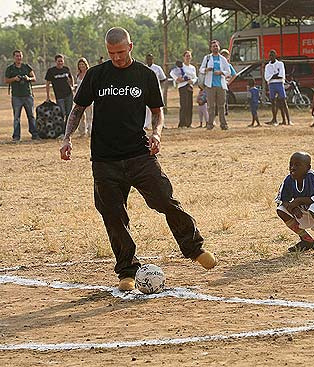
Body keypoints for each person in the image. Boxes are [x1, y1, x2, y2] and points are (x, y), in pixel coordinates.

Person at [59, 27, 217, 291]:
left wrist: (156, 133)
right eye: (112, 53)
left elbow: (157, 112)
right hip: (104, 160)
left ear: (130, 46)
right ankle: (127, 271)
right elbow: (78, 109)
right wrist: (67, 138)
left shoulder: (145, 75)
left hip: (139, 155)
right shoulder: (97, 75)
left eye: (121, 52)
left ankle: (194, 248)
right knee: (112, 214)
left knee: (165, 199)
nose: (117, 58)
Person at [4, 49, 39, 141]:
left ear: (22, 57)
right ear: (13, 57)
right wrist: (14, 79)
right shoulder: (10, 68)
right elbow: (6, 80)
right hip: (16, 96)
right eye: (17, 56)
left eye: (20, 56)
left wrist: (28, 78)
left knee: (31, 116)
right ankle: (16, 136)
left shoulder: (26, 67)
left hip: (28, 95)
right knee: (16, 117)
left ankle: (34, 134)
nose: (18, 58)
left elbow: (34, 78)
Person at [199, 40, 231, 130]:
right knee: (210, 106)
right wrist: (206, 69)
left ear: (219, 47)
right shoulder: (207, 58)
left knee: (221, 105)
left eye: (216, 46)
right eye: (213, 46)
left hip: (221, 85)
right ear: (210, 48)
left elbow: (228, 72)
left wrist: (221, 72)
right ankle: (210, 124)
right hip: (210, 85)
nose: (215, 48)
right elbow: (201, 69)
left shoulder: (223, 59)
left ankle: (223, 124)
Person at [264, 49, 292, 126]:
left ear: (275, 56)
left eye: (272, 55)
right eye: (270, 55)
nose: (271, 57)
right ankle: (274, 119)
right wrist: (274, 75)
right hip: (271, 84)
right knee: (273, 102)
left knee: (283, 101)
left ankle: (288, 120)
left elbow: (281, 74)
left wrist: (273, 76)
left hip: (279, 83)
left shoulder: (280, 64)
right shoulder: (267, 66)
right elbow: (267, 77)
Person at [170, 50, 196, 128]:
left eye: (189, 56)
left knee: (190, 105)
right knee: (184, 105)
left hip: (190, 86)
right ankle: (182, 123)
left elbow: (195, 77)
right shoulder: (181, 66)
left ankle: (189, 123)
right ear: (184, 57)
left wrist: (192, 81)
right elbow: (172, 73)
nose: (188, 58)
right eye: (187, 56)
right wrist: (178, 79)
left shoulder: (192, 67)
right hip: (183, 86)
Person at [45, 54, 74, 124]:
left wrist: (72, 86)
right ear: (55, 62)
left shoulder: (66, 69)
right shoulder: (51, 71)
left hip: (69, 94)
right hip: (59, 95)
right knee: (62, 113)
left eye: (61, 61)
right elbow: (48, 84)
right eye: (59, 61)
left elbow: (71, 77)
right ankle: (61, 129)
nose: (60, 63)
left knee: (69, 113)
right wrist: (48, 96)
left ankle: (67, 130)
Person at [144, 53, 167, 129]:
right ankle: (146, 125)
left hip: (156, 90)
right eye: (148, 59)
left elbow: (163, 78)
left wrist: (156, 85)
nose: (149, 60)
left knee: (159, 107)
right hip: (147, 91)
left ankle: (161, 124)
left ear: (153, 59)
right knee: (147, 108)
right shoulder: (144, 68)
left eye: (150, 59)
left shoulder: (157, 68)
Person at [74, 57, 93, 137]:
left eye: (83, 64)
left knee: (89, 115)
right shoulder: (78, 75)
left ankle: (90, 131)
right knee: (80, 115)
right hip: (79, 96)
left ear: (86, 65)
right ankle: (82, 131)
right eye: (80, 64)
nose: (81, 66)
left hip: (88, 96)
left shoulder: (90, 73)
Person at [220, 48, 237, 116]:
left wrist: (228, 82)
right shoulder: (218, 65)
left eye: (226, 56)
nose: (224, 57)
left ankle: (225, 111)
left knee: (224, 98)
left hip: (224, 84)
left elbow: (234, 75)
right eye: (223, 55)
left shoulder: (229, 65)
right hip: (217, 83)